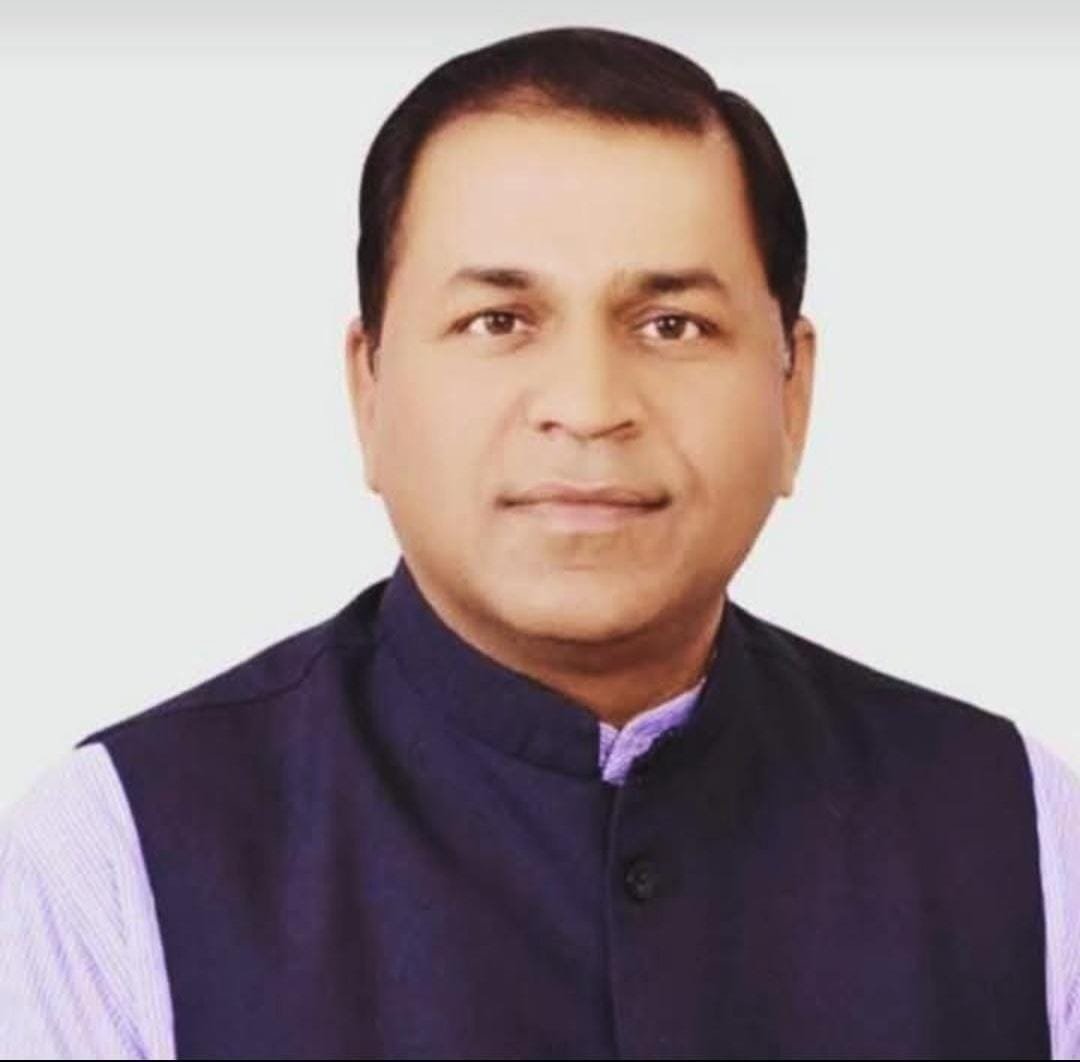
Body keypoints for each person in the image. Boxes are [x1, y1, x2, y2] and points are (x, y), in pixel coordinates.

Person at [2, 24, 1078, 1060]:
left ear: (792, 395)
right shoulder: (113, 861)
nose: (589, 406)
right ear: (368, 388)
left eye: (672, 325)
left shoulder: (1018, 831)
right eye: (500, 322)